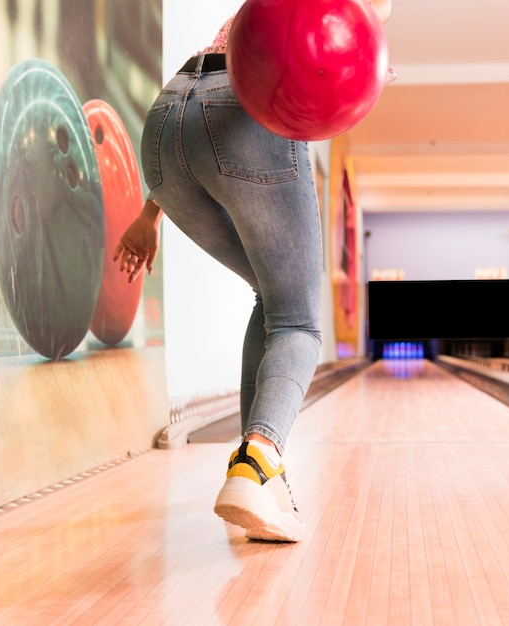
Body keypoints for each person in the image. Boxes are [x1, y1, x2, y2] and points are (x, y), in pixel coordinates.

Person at [114, 0, 393, 542]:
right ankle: (256, 464)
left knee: (271, 301)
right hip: (245, 114)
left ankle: (259, 474)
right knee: (299, 322)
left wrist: (151, 212)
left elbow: (215, 86)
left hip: (167, 120)